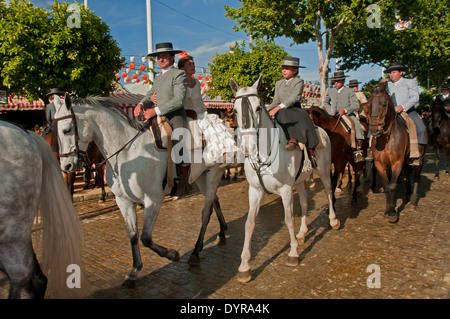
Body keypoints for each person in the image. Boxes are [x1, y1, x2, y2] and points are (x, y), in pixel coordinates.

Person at [133, 42, 190, 195]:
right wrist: (140, 104)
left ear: (172, 57)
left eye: (164, 56)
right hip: (156, 115)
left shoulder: (179, 74)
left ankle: (183, 182)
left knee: (179, 142)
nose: (161, 59)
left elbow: (178, 100)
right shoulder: (158, 78)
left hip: (174, 116)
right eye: (159, 57)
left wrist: (155, 110)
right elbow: (149, 94)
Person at [177, 52, 236, 171]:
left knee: (215, 124)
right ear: (182, 68)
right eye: (189, 64)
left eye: (193, 63)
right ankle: (210, 157)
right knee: (204, 126)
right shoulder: (179, 82)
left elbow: (198, 99)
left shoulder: (196, 82)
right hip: (186, 114)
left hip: (199, 112)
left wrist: (203, 110)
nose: (193, 66)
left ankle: (223, 155)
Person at [267, 56, 319, 167]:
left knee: (282, 112)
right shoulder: (278, 83)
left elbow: (294, 98)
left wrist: (278, 108)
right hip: (280, 109)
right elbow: (275, 100)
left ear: (295, 70)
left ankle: (297, 142)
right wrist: (267, 110)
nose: (284, 70)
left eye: (287, 68)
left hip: (294, 109)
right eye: (283, 68)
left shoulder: (298, 81)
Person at [384, 62, 426, 166]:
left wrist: (402, 106)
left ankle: (416, 154)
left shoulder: (409, 82)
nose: (391, 75)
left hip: (407, 111)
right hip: (391, 112)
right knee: (375, 125)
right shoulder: (387, 84)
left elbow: (415, 97)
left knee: (421, 128)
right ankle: (371, 150)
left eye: (394, 72)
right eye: (390, 73)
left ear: (401, 72)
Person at [323, 72, 365, 162]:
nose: (336, 83)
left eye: (338, 81)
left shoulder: (350, 91)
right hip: (333, 115)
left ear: (343, 81)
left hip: (347, 114)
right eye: (334, 81)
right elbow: (326, 103)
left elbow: (355, 104)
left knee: (357, 124)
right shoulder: (330, 91)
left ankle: (359, 149)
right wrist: (330, 111)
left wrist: (345, 110)